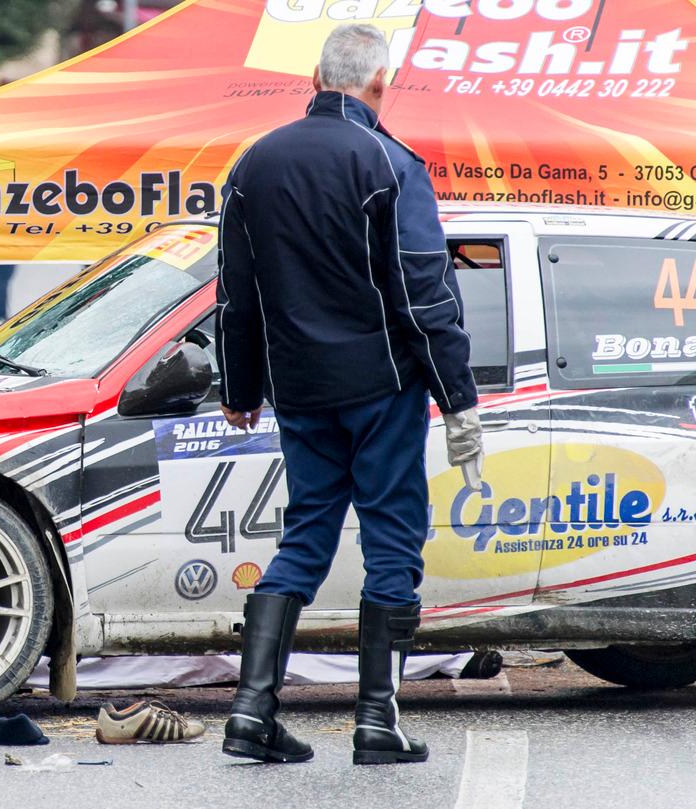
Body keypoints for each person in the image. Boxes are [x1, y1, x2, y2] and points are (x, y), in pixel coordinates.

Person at [214, 24, 484, 766]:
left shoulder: (252, 164)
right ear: (378, 85)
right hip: (382, 386)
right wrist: (457, 398)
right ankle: (376, 720)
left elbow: (236, 294)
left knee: (304, 535)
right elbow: (425, 296)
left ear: (314, 77)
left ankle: (250, 711)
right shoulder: (390, 163)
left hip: (298, 390)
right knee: (393, 537)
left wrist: (239, 387)